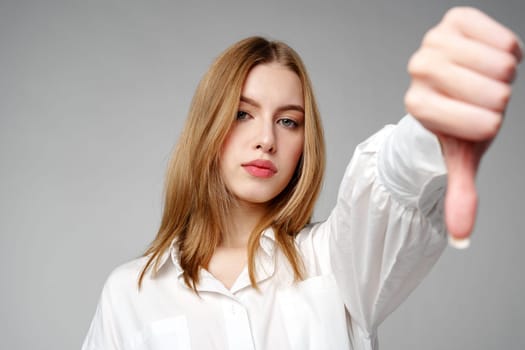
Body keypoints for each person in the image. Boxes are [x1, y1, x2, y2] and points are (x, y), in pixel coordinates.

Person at [81, 7, 521, 350]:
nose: (266, 140)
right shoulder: (130, 293)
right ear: (206, 127)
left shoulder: (336, 264)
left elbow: (393, 182)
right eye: (242, 114)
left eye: (289, 122)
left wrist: (433, 122)